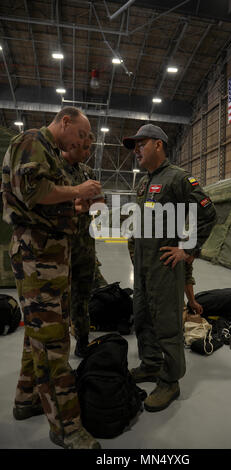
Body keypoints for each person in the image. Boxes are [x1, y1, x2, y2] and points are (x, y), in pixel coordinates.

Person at [1, 107, 103, 449]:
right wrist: (77, 191)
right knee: (54, 343)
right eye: (82, 135)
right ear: (65, 122)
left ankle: (26, 399)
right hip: (37, 256)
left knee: (38, 335)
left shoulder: (48, 152)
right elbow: (34, 192)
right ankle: (66, 428)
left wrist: (77, 205)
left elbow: (46, 203)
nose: (83, 142)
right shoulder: (32, 141)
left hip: (50, 255)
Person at [122, 124, 216, 412]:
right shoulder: (144, 182)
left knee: (167, 324)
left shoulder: (178, 178)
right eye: (134, 146)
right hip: (143, 266)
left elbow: (208, 213)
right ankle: (151, 364)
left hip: (165, 266)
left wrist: (187, 250)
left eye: (141, 144)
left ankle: (170, 381)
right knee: (142, 318)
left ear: (159, 145)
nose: (136, 150)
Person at [61, 134, 107, 357]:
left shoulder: (87, 173)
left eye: (90, 149)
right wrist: (76, 202)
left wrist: (91, 203)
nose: (88, 153)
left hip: (85, 248)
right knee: (59, 298)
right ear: (72, 143)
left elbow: (100, 202)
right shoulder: (55, 169)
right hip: (59, 249)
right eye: (85, 148)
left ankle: (82, 340)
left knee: (83, 297)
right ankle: (58, 348)